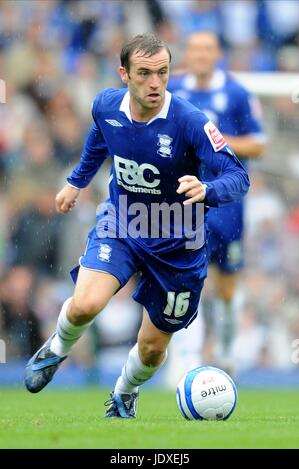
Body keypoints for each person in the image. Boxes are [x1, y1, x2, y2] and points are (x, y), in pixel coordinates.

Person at [24, 32, 249, 418]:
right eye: (145, 73)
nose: (155, 83)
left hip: (180, 244)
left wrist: (208, 189)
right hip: (123, 224)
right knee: (85, 305)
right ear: (124, 74)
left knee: (152, 348)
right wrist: (76, 181)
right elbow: (100, 139)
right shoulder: (106, 105)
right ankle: (57, 348)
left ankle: (124, 392)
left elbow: (238, 176)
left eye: (162, 73)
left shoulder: (190, 121)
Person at [168, 31, 266, 373]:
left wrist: (213, 142)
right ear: (187, 53)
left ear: (217, 54)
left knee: (226, 287)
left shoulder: (236, 93)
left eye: (207, 49)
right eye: (194, 48)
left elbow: (258, 144)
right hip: (184, 202)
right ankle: (187, 361)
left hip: (227, 203)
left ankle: (225, 351)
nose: (200, 55)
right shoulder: (173, 91)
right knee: (186, 278)